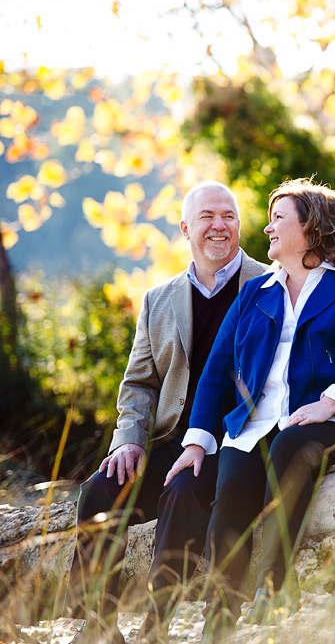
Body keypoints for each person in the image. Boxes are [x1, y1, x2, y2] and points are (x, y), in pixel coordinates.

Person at [164, 178, 335, 638]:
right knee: (230, 488)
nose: (267, 229)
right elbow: (217, 371)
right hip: (256, 427)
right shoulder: (257, 291)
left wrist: (330, 403)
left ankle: (272, 593)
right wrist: (197, 441)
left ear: (310, 226)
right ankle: (218, 621)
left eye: (278, 219)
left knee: (293, 443)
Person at [70, 182, 267, 644]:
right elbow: (140, 383)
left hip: (235, 442)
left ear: (239, 225)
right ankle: (100, 625)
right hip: (170, 439)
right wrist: (129, 441)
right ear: (185, 228)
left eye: (229, 216)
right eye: (207, 217)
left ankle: (157, 625)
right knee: (98, 492)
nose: (219, 226)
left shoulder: (268, 285)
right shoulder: (159, 300)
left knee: (182, 491)